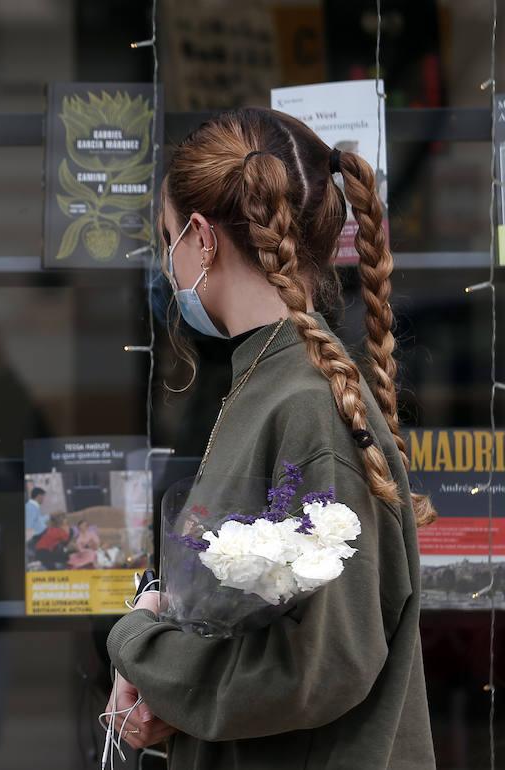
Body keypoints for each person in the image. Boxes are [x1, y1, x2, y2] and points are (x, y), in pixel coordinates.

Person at [105, 107, 436, 768]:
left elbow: (325, 663)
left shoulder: (304, 404)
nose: (168, 262)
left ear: (201, 238)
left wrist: (143, 646)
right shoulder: (270, 380)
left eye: (168, 237)